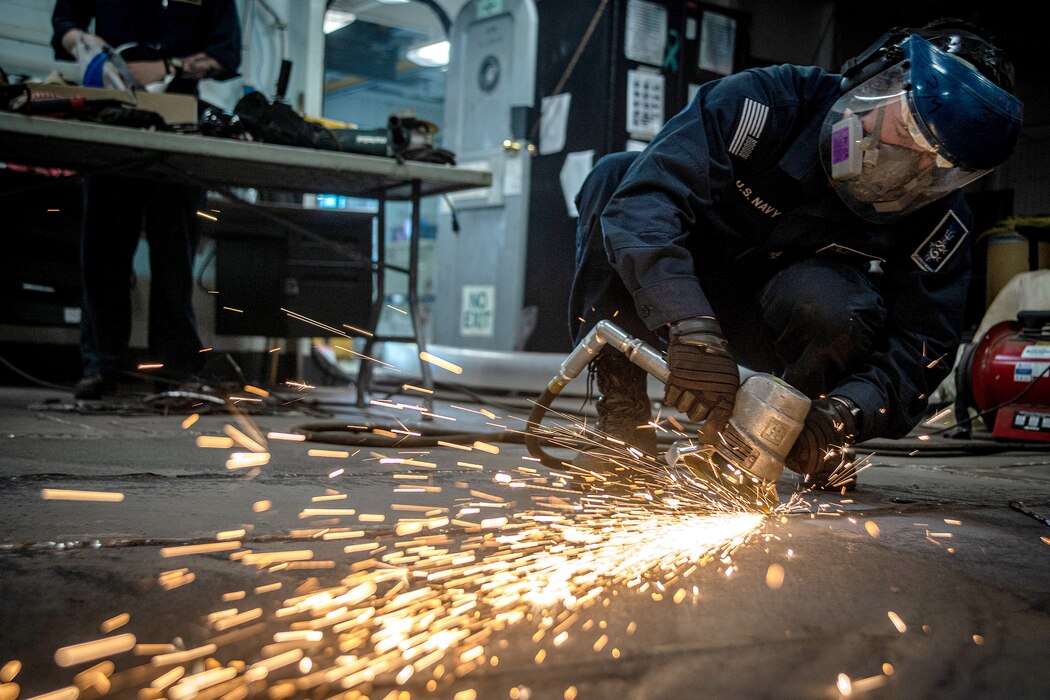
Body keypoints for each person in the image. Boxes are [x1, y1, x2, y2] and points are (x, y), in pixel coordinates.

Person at [568, 19, 1023, 488]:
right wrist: (688, 324)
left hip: (785, 320)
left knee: (835, 307)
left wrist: (849, 411)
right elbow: (647, 203)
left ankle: (801, 434)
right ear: (879, 75)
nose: (909, 161)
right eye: (907, 126)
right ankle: (623, 424)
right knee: (616, 176)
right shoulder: (765, 103)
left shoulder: (937, 213)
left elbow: (922, 343)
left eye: (938, 162)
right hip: (683, 293)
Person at [51, 0, 241, 399]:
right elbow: (65, 20)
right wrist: (84, 42)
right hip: (112, 116)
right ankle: (103, 367)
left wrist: (168, 67)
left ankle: (174, 370)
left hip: (178, 125)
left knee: (175, 254)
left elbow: (226, 54)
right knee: (104, 253)